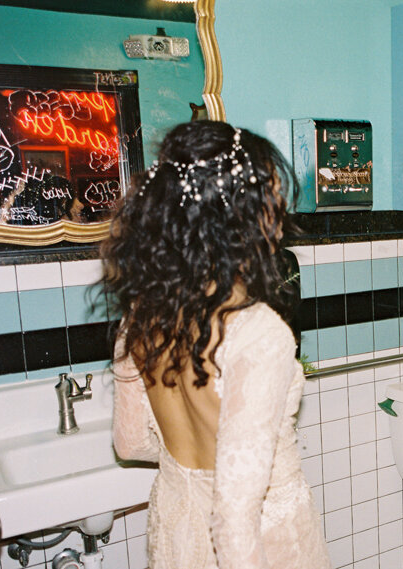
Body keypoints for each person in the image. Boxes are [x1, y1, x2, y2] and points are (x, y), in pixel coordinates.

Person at [101, 121, 330, 569]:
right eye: (269, 202)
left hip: (178, 533)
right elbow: (234, 513)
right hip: (263, 546)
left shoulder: (143, 317)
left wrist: (189, 467)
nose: (278, 218)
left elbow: (129, 443)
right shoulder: (258, 333)